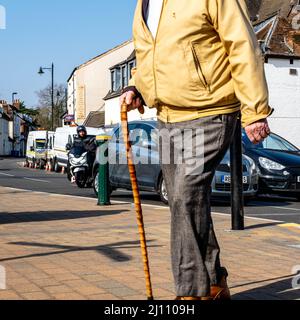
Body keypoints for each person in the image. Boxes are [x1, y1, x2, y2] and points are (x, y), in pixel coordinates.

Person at [120, 0, 273, 300]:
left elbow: (242, 42)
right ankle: (214, 282)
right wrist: (136, 87)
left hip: (212, 110)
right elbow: (149, 53)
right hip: (167, 116)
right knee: (187, 204)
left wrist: (255, 109)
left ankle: (191, 293)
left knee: (184, 195)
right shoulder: (145, 3)